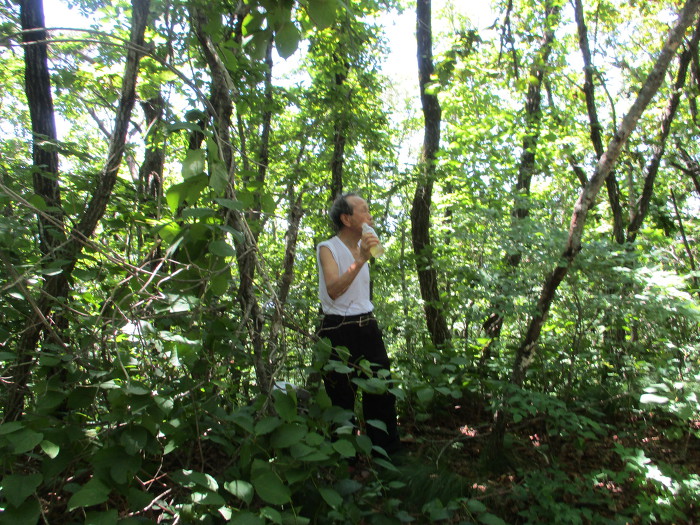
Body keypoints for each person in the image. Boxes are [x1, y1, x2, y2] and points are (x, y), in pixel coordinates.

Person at [316, 192, 401, 455]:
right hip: (337, 329)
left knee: (381, 389)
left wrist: (363, 253)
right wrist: (361, 258)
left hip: (367, 326)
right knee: (341, 397)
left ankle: (385, 454)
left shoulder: (362, 246)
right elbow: (333, 290)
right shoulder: (328, 248)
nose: (370, 216)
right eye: (363, 210)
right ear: (346, 219)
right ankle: (345, 460)